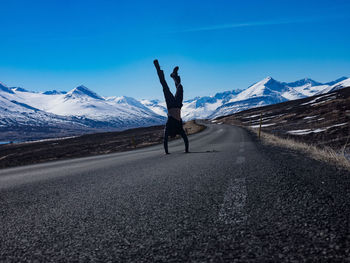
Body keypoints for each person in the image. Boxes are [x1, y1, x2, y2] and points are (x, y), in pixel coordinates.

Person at [153, 59, 189, 154]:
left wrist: (186, 150)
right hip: (176, 105)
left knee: (170, 87)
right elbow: (165, 141)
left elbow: (185, 140)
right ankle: (173, 75)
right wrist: (167, 152)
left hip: (173, 105)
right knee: (171, 87)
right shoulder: (176, 129)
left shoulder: (172, 129)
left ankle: (158, 69)